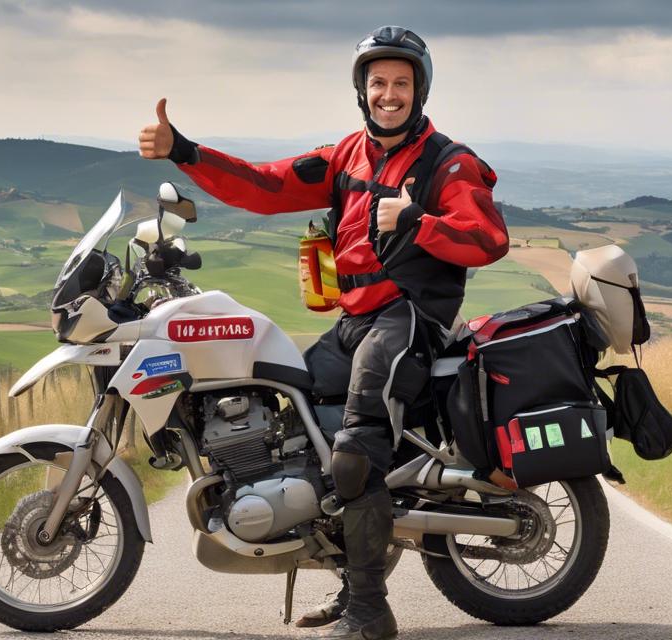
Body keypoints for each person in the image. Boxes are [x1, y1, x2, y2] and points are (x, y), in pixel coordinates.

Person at [138, 26, 509, 640]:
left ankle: (370, 610)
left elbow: (489, 238)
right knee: (300, 428)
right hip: (354, 322)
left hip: (408, 318)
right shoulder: (347, 156)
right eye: (378, 83)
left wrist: (418, 218)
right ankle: (348, 581)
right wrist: (184, 150)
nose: (389, 94)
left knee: (356, 451)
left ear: (419, 91)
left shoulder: (449, 161)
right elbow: (266, 186)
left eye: (401, 83)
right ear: (362, 92)